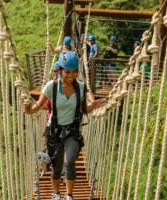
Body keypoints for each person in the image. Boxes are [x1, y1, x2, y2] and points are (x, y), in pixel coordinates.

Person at [24, 51, 106, 200]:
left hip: (73, 132)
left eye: (74, 72)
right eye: (67, 72)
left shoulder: (80, 87)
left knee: (69, 162)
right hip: (54, 132)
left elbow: (82, 110)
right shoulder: (51, 87)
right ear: (60, 70)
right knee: (56, 167)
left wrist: (93, 106)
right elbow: (38, 106)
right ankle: (56, 193)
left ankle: (69, 195)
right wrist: (29, 110)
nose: (71, 75)